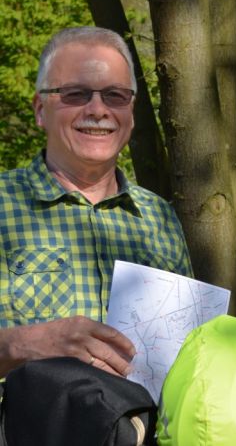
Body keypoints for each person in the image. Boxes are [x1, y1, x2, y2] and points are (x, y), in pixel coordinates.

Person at [0, 27, 193, 379]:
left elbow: (186, 355)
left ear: (131, 113)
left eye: (115, 96)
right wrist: (23, 344)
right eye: (75, 94)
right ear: (40, 109)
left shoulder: (160, 217)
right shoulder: (3, 204)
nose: (98, 110)